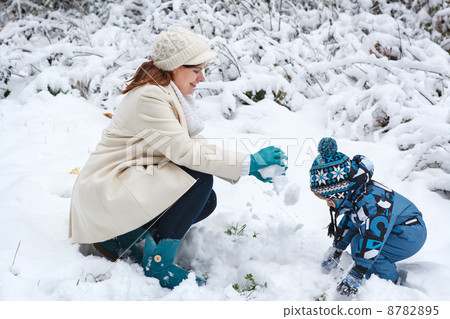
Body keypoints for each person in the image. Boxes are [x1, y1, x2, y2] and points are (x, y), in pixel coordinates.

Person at [69, 27, 287, 289]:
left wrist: (247, 167)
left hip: (125, 183)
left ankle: (124, 237)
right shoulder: (150, 96)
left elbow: (193, 145)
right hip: (106, 190)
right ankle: (158, 262)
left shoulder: (166, 93)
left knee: (205, 201)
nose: (202, 78)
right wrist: (248, 162)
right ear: (174, 67)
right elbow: (185, 152)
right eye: (196, 70)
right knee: (197, 179)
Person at [309, 137, 426, 296]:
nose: (328, 204)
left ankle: (389, 284)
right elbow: (351, 222)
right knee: (359, 240)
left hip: (409, 233)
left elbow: (373, 236)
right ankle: (375, 272)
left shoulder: (370, 202)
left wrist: (357, 272)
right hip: (397, 227)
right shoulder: (356, 192)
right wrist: (337, 248)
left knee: (362, 246)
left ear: (340, 192)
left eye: (329, 199)